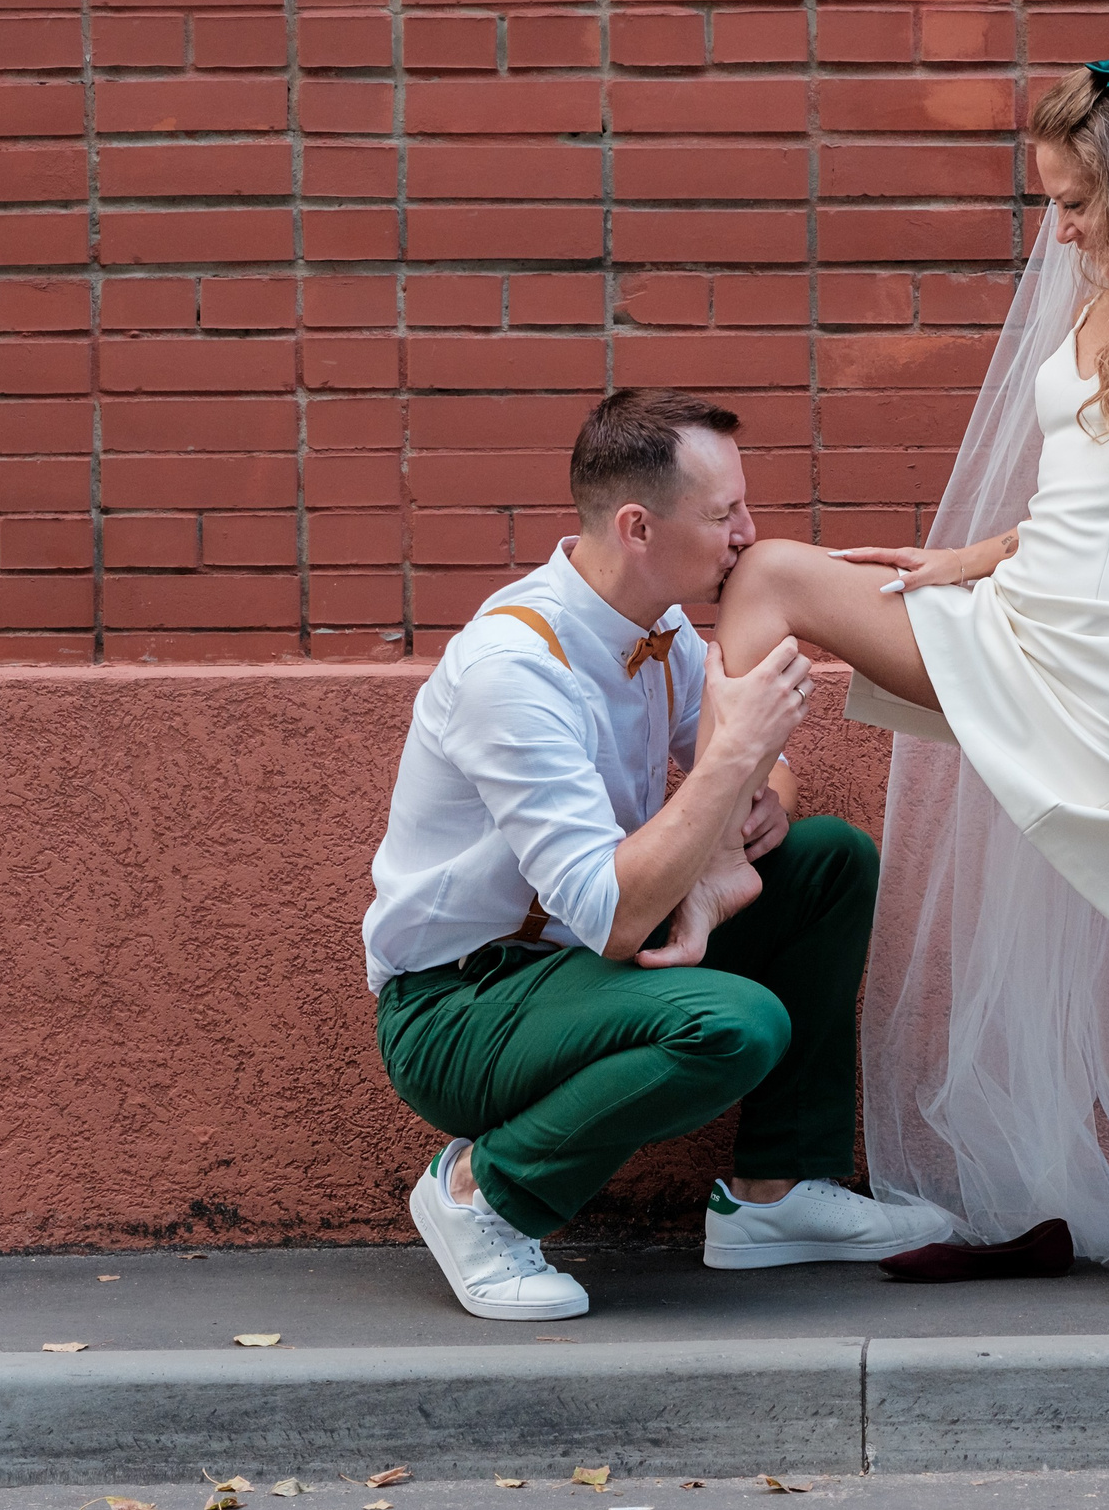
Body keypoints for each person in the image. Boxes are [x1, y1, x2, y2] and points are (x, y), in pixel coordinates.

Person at [710, 58, 1109, 1301]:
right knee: (771, 573)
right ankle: (732, 820)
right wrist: (967, 561)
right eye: (1052, 202)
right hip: (1015, 622)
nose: (1062, 227)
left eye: (1078, 202)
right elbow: (1073, 501)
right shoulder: (1083, 307)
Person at [361, 387, 947, 1321]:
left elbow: (776, 780)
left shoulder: (660, 630)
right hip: (460, 1005)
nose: (747, 536)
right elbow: (614, 911)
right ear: (638, 525)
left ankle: (775, 1193)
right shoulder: (516, 670)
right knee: (734, 1023)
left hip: (582, 969)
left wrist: (750, 812)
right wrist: (727, 764)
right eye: (723, 515)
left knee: (830, 859)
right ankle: (482, 1193)